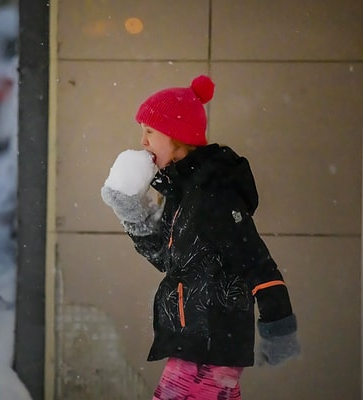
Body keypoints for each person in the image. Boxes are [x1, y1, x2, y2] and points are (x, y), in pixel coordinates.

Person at [100, 75, 300, 400]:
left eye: (150, 131)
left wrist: (279, 323)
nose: (144, 141)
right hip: (194, 338)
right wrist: (132, 212)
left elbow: (253, 257)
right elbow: (169, 262)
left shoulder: (212, 193)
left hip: (212, 337)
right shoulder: (181, 194)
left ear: (177, 136)